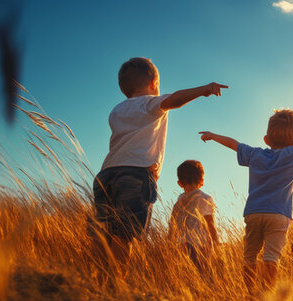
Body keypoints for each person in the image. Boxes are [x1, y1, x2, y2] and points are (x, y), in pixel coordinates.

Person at [92, 57, 227, 270]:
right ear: (154, 84)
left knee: (104, 231)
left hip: (106, 173)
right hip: (135, 174)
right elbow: (173, 100)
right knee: (123, 234)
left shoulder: (116, 111)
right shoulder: (150, 103)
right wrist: (204, 89)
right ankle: (114, 285)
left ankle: (96, 280)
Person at [198, 109, 293, 291]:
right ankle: (267, 294)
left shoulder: (254, 154)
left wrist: (212, 135)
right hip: (279, 216)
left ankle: (250, 293)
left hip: (254, 213)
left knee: (250, 256)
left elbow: (233, 144)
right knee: (271, 258)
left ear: (266, 140)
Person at [168, 160, 219, 275]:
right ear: (202, 180)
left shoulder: (178, 203)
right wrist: (216, 244)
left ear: (180, 183)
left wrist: (170, 244)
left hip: (181, 245)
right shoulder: (205, 198)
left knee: (186, 275)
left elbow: (172, 225)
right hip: (201, 245)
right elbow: (211, 225)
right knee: (204, 275)